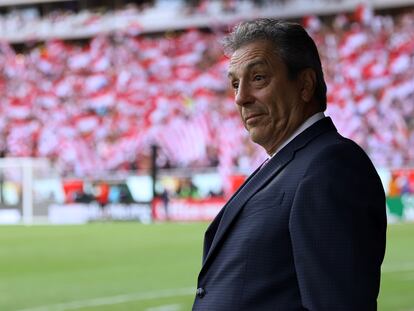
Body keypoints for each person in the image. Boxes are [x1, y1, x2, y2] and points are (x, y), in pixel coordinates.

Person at [192, 19, 386, 311]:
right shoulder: (287, 163)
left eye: (258, 78)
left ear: (305, 85)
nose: (241, 98)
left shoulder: (330, 167)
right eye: (235, 83)